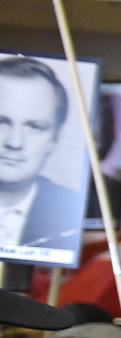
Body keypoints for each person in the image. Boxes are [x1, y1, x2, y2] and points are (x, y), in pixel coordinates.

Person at [0, 56, 83, 254]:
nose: (15, 142)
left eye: (34, 127)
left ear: (55, 137)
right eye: (1, 122)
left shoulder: (70, 218)